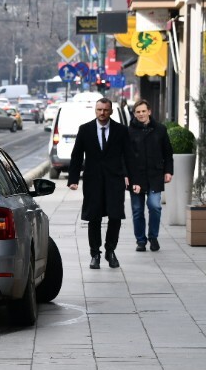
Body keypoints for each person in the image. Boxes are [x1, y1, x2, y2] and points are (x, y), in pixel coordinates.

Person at [68, 97, 137, 269]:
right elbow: (76, 155)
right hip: (93, 181)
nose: (102, 113)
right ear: (95, 110)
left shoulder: (121, 130)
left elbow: (129, 156)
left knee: (115, 216)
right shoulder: (85, 130)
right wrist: (73, 179)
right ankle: (95, 254)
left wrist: (135, 180)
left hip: (115, 181)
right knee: (94, 218)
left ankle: (110, 250)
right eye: (99, 110)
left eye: (105, 110)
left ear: (111, 111)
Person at [127, 99, 174, 252]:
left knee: (155, 206)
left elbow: (168, 153)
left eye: (143, 111)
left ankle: (153, 237)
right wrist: (126, 176)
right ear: (134, 114)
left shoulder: (160, 129)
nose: (141, 114)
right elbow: (124, 156)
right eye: (138, 112)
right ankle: (141, 240)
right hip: (136, 177)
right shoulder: (129, 131)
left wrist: (168, 171)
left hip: (155, 175)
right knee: (137, 210)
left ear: (149, 111)